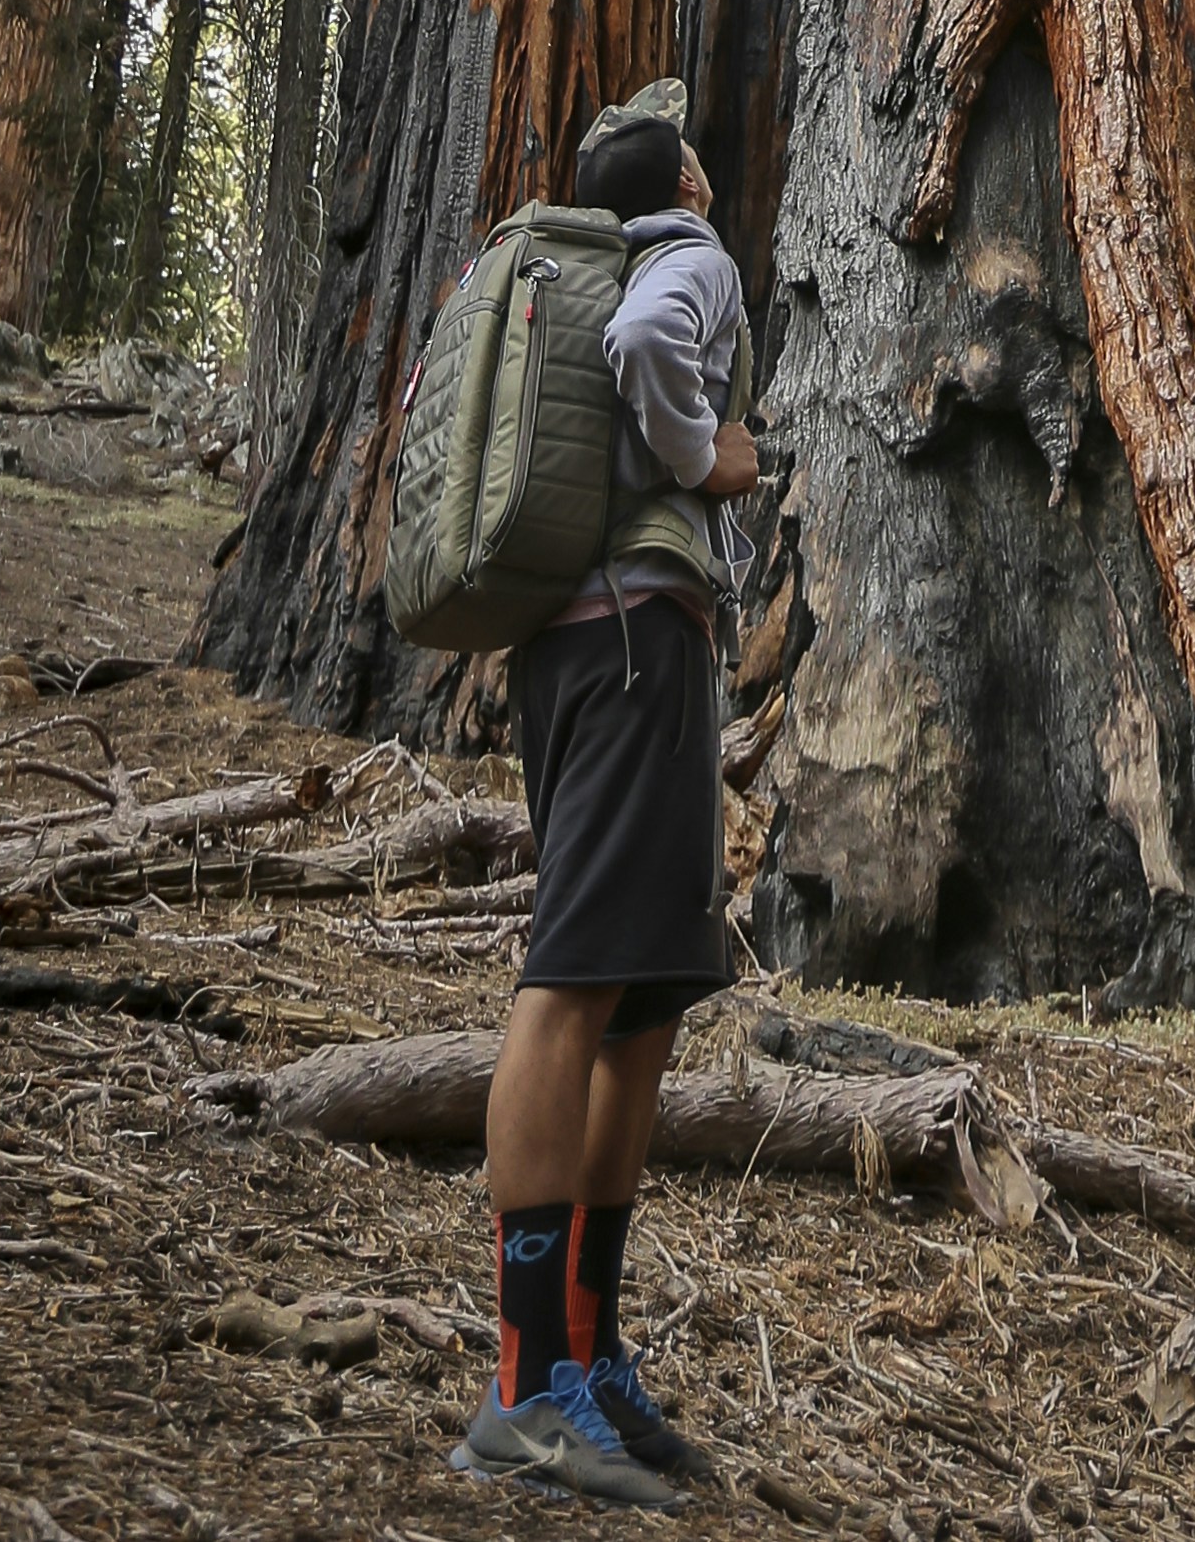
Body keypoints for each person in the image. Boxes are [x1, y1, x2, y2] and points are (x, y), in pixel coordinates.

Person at [457, 86, 757, 1509]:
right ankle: (524, 1395)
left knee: (638, 1002)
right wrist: (713, 460)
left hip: (574, 649)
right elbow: (652, 351)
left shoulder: (572, 272)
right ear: (685, 179)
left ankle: (584, 1354)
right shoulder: (677, 257)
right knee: (577, 982)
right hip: (641, 640)